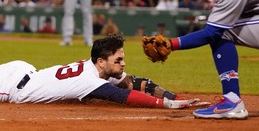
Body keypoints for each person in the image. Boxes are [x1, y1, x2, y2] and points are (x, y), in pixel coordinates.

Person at [0, 34, 195, 109]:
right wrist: (165, 104)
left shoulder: (95, 69)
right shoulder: (90, 81)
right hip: (12, 87)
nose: (123, 64)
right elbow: (122, 95)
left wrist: (174, 96)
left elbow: (136, 83)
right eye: (118, 60)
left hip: (24, 70)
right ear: (101, 62)